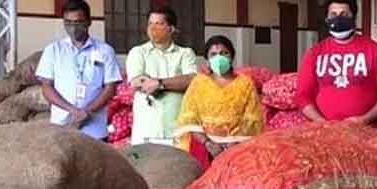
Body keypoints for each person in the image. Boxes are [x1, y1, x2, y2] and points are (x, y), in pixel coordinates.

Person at [296, 0, 377, 126]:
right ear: (327, 19)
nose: (338, 19)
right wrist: (319, 121)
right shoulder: (314, 54)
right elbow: (303, 96)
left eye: (344, 14)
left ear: (354, 17)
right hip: (325, 131)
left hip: (367, 129)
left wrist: (366, 119)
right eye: (333, 14)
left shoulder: (376, 51)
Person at [36, 0, 122, 140]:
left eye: (78, 22)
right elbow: (46, 87)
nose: (73, 28)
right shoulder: (53, 50)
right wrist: (73, 111)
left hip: (95, 129)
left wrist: (87, 112)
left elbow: (110, 88)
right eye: (68, 23)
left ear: (89, 22)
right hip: (62, 125)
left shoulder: (105, 51)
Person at [175, 35, 264, 169]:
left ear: (232, 57)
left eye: (224, 53)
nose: (219, 58)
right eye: (213, 54)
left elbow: (252, 120)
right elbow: (189, 119)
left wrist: (233, 143)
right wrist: (208, 143)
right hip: (203, 146)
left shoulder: (245, 83)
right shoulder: (199, 83)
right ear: (207, 60)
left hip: (237, 147)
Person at [126, 6, 197, 145]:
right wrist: (175, 82)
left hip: (177, 130)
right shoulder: (138, 52)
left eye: (159, 23)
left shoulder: (185, 53)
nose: (153, 28)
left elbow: (192, 80)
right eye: (150, 23)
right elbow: (136, 81)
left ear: (171, 29)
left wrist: (159, 83)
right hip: (146, 130)